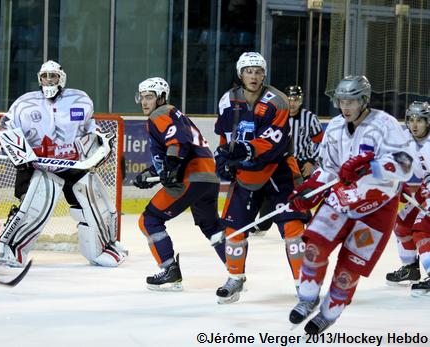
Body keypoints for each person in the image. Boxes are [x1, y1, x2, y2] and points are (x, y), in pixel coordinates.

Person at [287, 75, 414, 334]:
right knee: (313, 248)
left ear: (364, 100)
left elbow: (405, 165)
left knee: (349, 269)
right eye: (342, 100)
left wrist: (372, 167)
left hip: (377, 208)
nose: (345, 106)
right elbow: (329, 169)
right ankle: (308, 298)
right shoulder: (334, 127)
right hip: (341, 199)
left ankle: (329, 313)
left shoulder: (385, 124)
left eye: (352, 101)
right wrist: (309, 188)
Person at [0, 60, 127, 268]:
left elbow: (91, 129)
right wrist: (20, 156)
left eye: (53, 76)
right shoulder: (25, 103)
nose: (48, 80)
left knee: (94, 203)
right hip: (37, 166)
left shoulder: (80, 99)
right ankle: (9, 248)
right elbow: (4, 128)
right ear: (40, 79)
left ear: (61, 78)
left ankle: (104, 246)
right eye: (45, 76)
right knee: (33, 207)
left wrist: (102, 143)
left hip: (72, 165)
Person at [214, 52, 309, 304]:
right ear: (240, 73)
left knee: (293, 229)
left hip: (278, 170)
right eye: (248, 71)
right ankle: (235, 277)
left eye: (258, 71)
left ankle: (304, 284)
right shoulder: (228, 99)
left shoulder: (277, 100)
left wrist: (246, 150)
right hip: (246, 173)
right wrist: (222, 156)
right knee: (234, 229)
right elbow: (226, 135)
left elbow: (274, 139)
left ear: (264, 74)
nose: (253, 76)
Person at [133, 77, 226, 291]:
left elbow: (176, 142)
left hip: (190, 177)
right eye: (142, 97)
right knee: (211, 226)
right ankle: (235, 267)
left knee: (149, 220)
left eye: (150, 97)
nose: (145, 102)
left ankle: (169, 270)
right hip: (208, 177)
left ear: (162, 98)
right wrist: (152, 172)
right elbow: (174, 147)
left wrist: (171, 164)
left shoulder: (160, 113)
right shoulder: (176, 114)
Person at [385, 101, 430, 296]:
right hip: (424, 185)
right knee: (402, 220)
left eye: (419, 120)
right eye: (411, 119)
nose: (414, 124)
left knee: (421, 229)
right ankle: (411, 268)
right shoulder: (403, 138)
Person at [284, 85, 324, 179]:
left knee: (304, 193)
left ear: (301, 101)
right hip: (283, 164)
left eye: (296, 100)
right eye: (289, 99)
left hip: (303, 164)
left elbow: (321, 142)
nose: (292, 103)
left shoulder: (310, 118)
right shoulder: (278, 116)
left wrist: (311, 161)